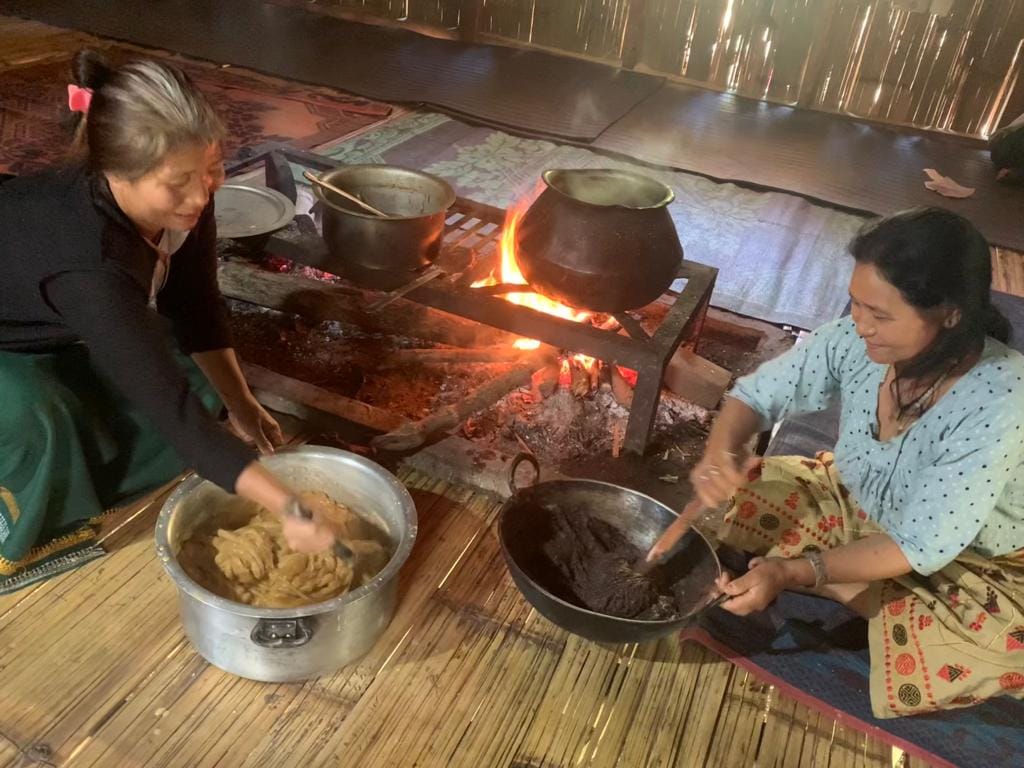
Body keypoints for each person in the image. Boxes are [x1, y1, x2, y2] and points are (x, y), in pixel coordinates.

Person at [0, 50, 336, 590]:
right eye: (177, 182)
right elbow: (171, 410)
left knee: (201, 387)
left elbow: (195, 305)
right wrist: (291, 509)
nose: (201, 195)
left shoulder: (189, 201)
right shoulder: (91, 265)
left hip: (56, 312)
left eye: (212, 169)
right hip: (12, 334)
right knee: (45, 416)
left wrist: (241, 404)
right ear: (116, 174)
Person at [689, 207, 1024, 718]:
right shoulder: (852, 338)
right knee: (744, 497)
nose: (859, 325)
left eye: (881, 315)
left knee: (995, 646)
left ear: (950, 312)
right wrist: (721, 453)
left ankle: (843, 582)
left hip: (973, 559)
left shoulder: (1000, 400)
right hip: (861, 504)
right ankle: (857, 585)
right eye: (855, 303)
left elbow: (919, 545)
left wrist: (795, 572)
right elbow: (755, 397)